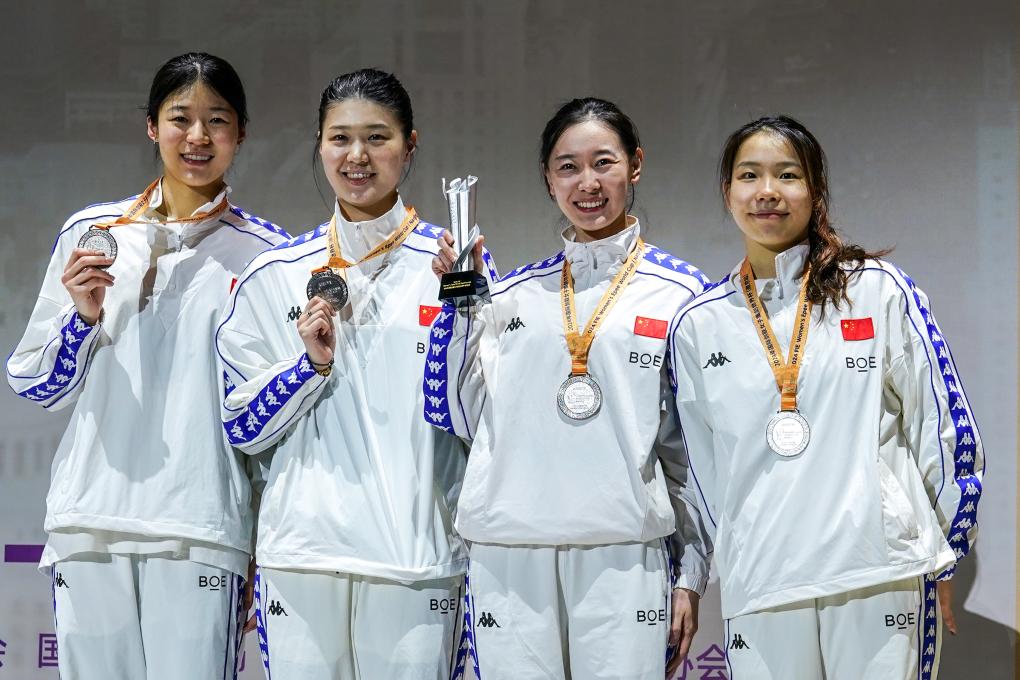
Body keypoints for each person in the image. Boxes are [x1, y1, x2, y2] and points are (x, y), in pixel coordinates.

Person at [5, 52, 288, 679]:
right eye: (180, 118)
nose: (197, 136)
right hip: (90, 520)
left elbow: (273, 420)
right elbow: (37, 384)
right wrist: (82, 320)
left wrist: (262, 541)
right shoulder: (91, 234)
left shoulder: (269, 256)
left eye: (217, 120)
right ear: (151, 126)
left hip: (203, 527)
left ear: (241, 132)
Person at [670, 115, 982, 679]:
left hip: (878, 574)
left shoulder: (877, 290)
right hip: (762, 583)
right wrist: (709, 568)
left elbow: (941, 427)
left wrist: (945, 554)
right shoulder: (699, 324)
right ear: (727, 191)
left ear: (816, 191)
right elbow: (701, 473)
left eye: (788, 175)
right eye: (749, 175)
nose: (767, 191)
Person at [215, 68, 492, 680]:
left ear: (409, 145)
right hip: (301, 558)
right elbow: (242, 426)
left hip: (416, 559)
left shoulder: (453, 267)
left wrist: (461, 308)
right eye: (340, 138)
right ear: (319, 145)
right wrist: (309, 367)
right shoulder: (275, 274)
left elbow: (479, 417)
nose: (357, 156)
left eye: (377, 137)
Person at [426, 97, 711, 680]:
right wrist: (460, 306)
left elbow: (693, 453)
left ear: (635, 164)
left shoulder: (682, 295)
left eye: (603, 162)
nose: (588, 183)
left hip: (623, 555)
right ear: (548, 179)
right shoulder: (510, 296)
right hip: (509, 557)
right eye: (568, 167)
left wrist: (690, 574)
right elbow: (459, 413)